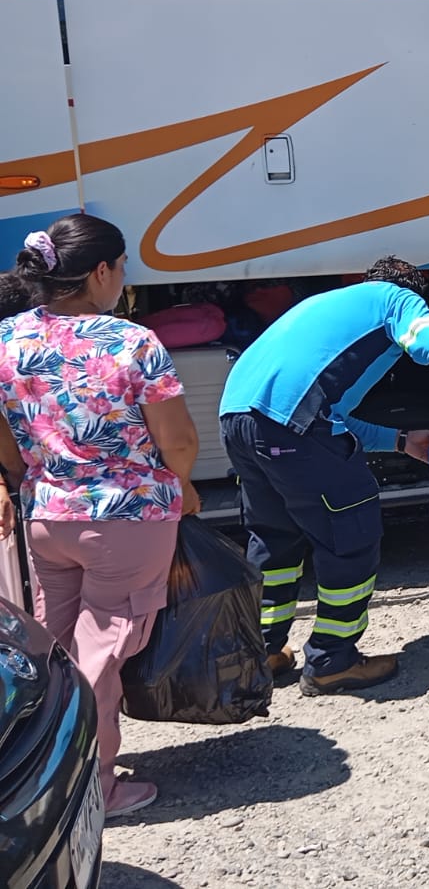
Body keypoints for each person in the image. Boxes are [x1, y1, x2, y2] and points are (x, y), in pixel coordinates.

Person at [220, 256, 429, 696]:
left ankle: (262, 651)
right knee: (350, 533)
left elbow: (325, 416)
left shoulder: (330, 306)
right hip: (291, 425)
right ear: (417, 291)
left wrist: (400, 440)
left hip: (237, 420)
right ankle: (332, 661)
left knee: (274, 540)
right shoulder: (395, 299)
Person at [0, 215, 202, 819]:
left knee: (53, 651)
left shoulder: (5, 338)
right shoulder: (132, 342)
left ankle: (30, 771)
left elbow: (6, 443)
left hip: (47, 516)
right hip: (127, 520)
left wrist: (24, 482)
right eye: (122, 268)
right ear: (100, 271)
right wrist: (184, 486)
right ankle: (88, 789)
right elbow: (180, 441)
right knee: (99, 655)